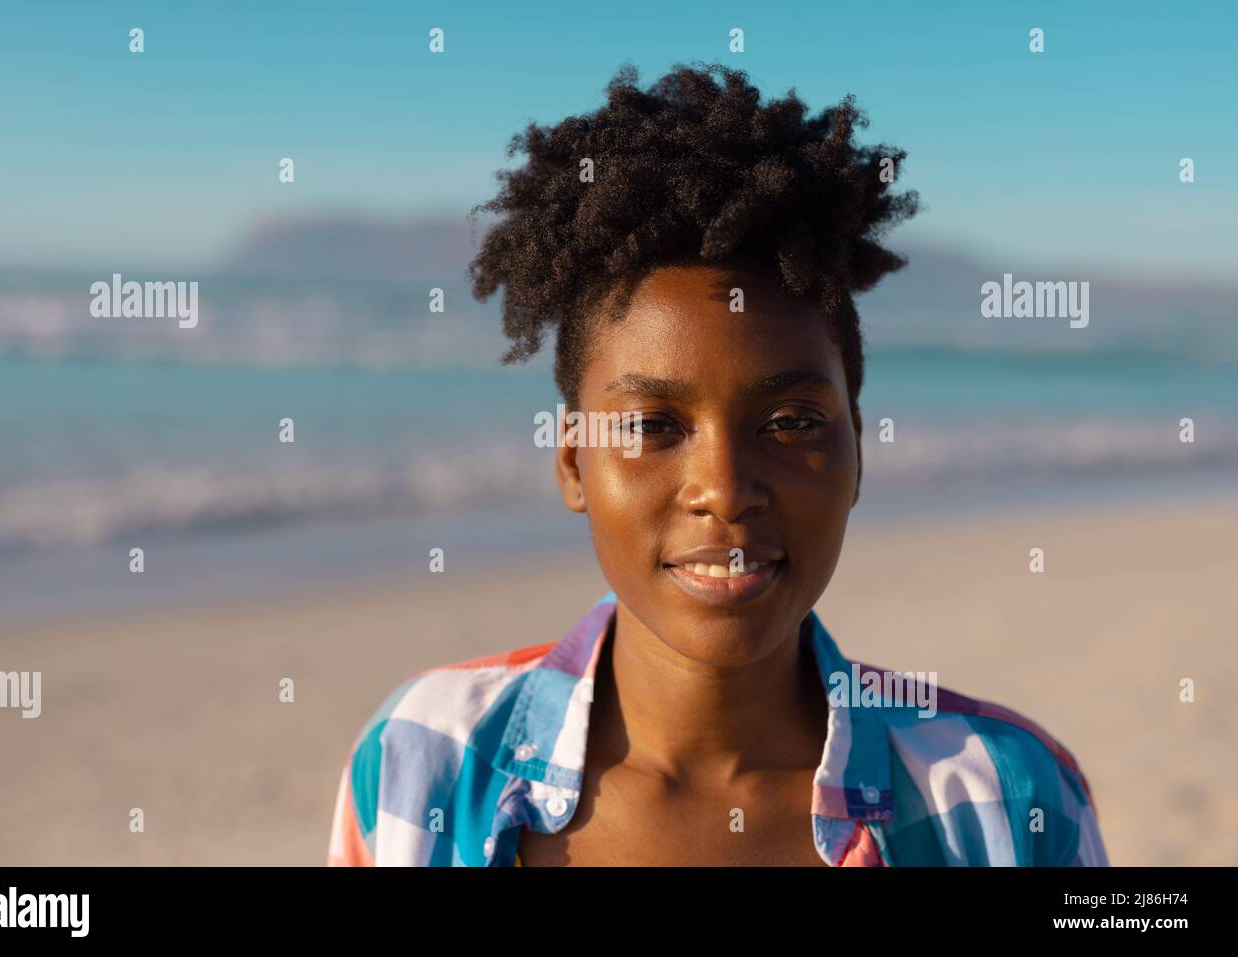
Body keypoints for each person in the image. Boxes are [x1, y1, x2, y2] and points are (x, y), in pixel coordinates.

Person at [327, 61, 1108, 867]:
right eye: (654, 425)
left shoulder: (1007, 800)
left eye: (791, 421)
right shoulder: (421, 762)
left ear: (858, 451)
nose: (726, 491)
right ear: (571, 460)